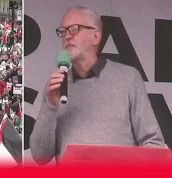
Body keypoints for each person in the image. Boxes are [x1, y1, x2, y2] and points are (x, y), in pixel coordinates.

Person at [29, 6, 165, 165]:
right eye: (63, 31)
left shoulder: (128, 78)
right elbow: (40, 156)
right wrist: (51, 105)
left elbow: (154, 144)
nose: (67, 36)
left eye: (74, 29)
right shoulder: (57, 85)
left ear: (96, 36)